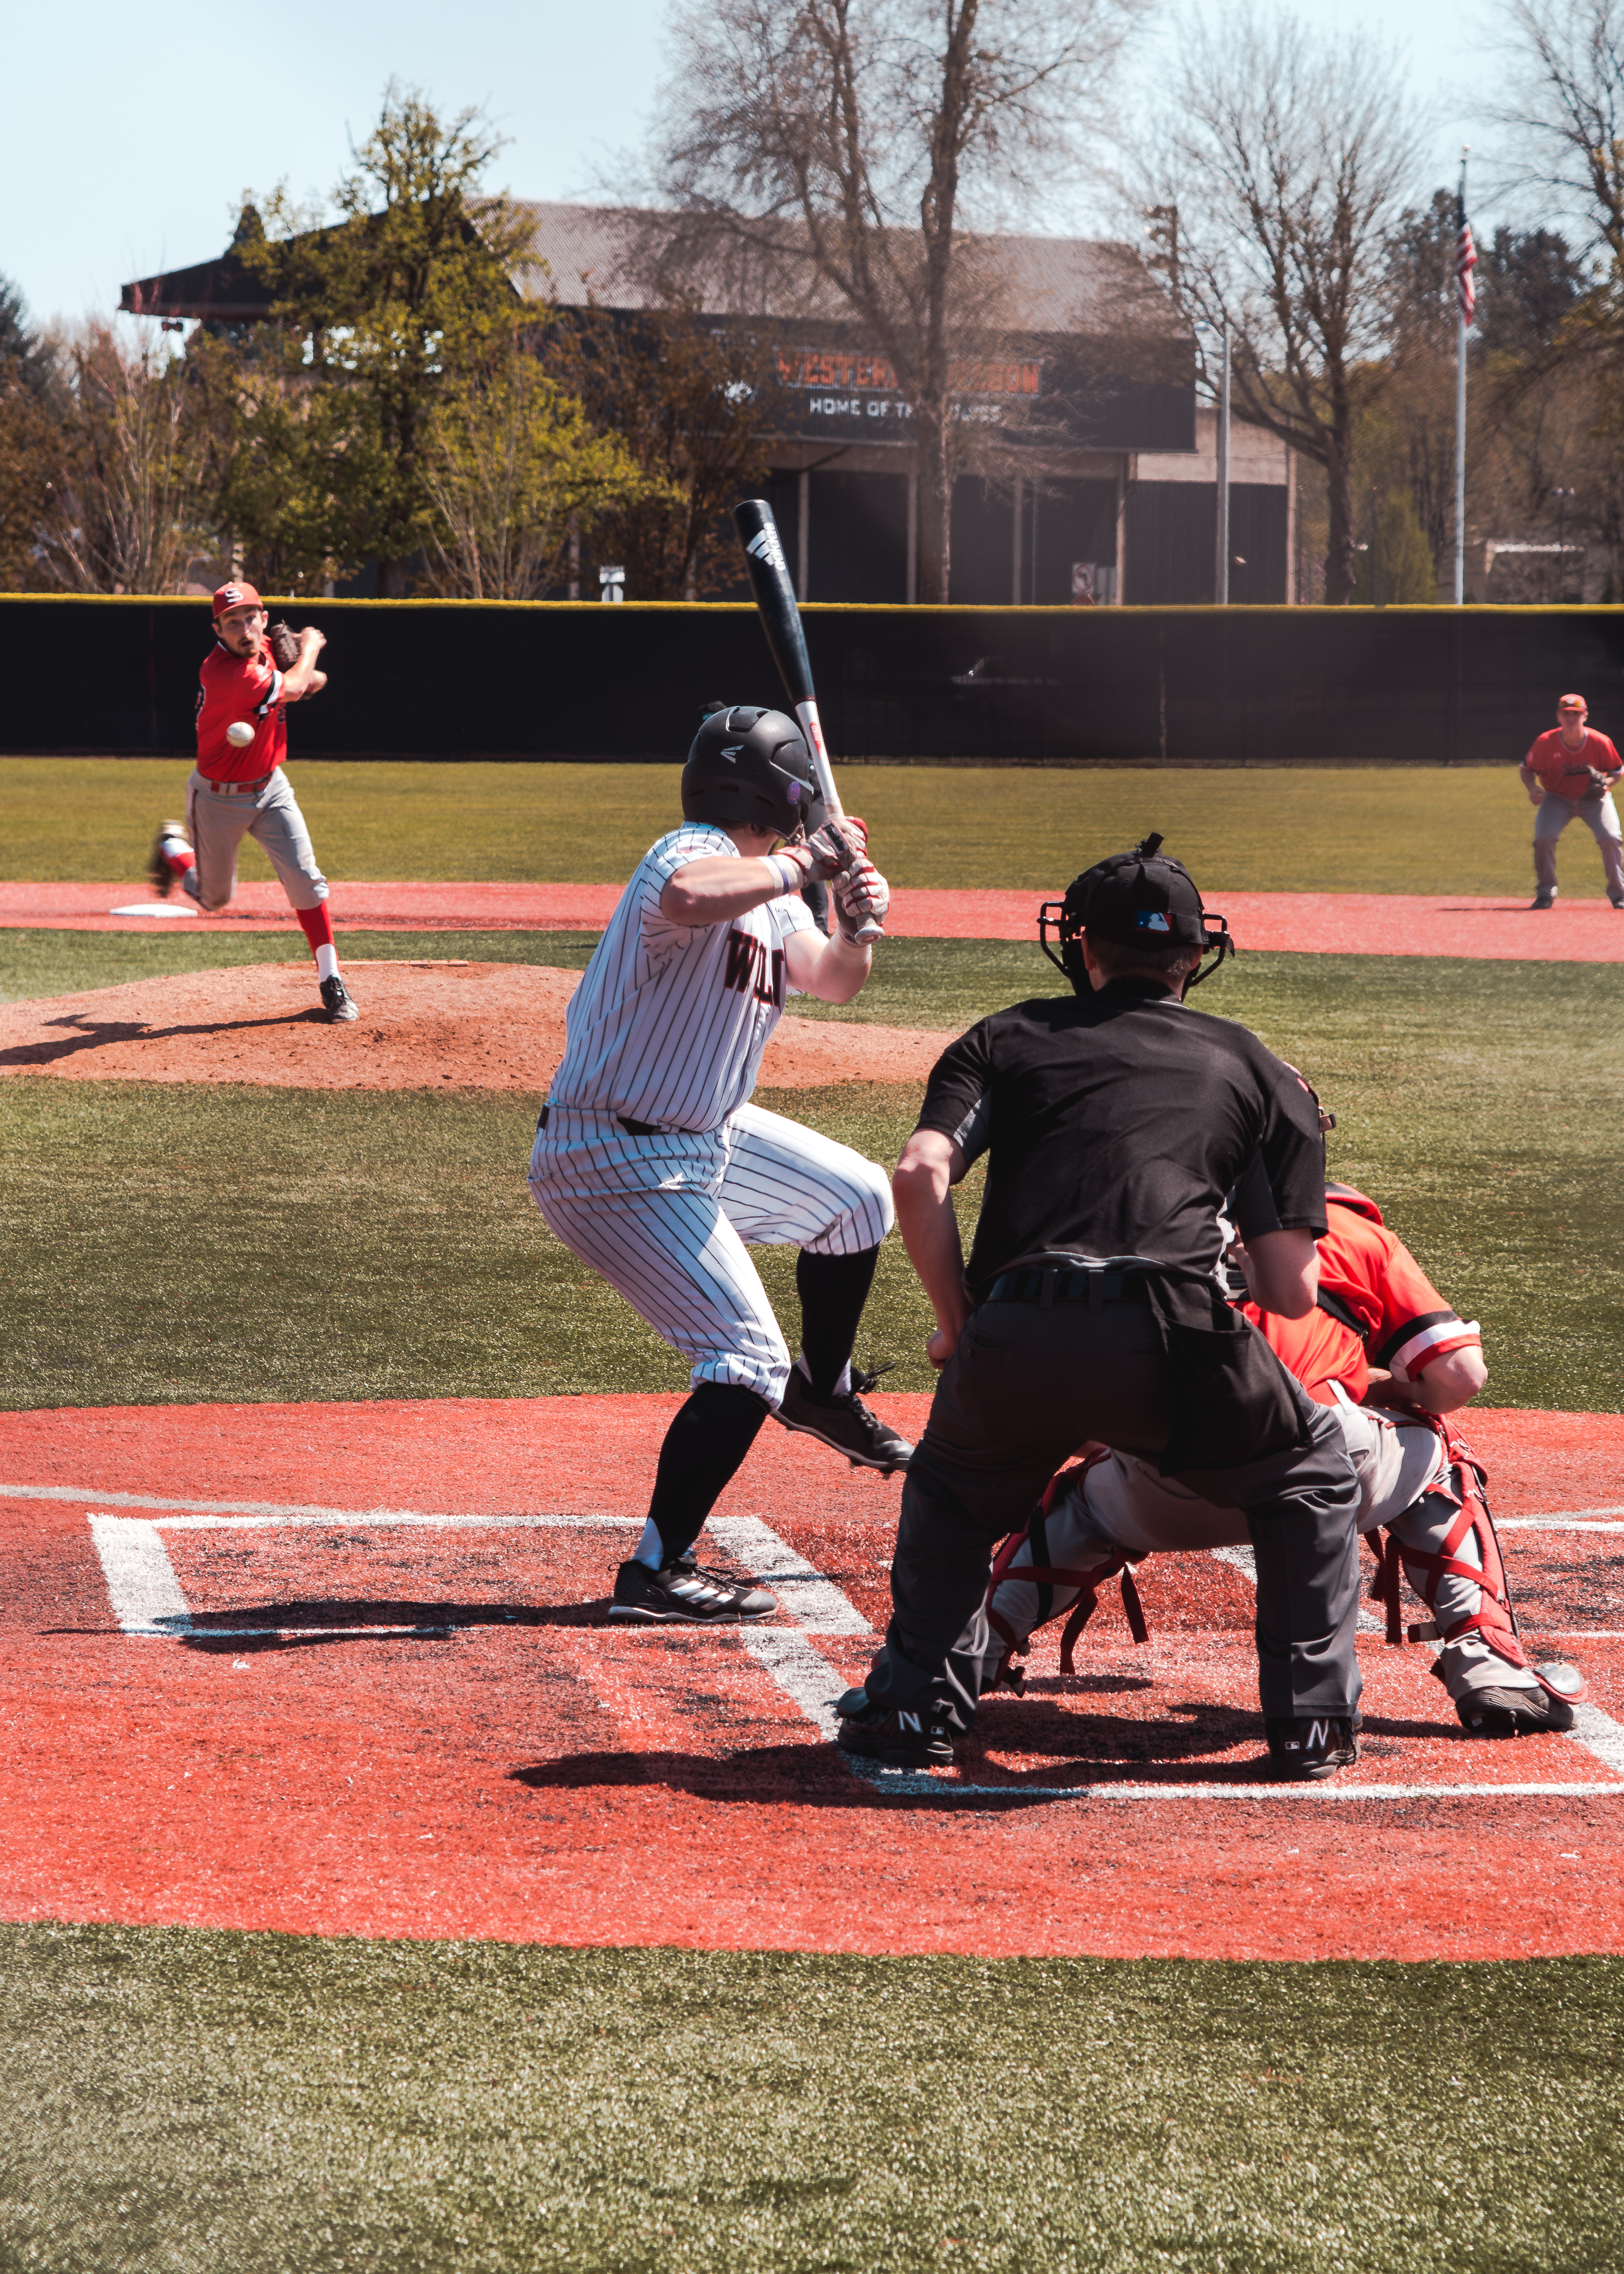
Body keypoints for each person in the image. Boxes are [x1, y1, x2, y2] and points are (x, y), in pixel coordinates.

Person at [835, 836, 1366, 1782]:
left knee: (955, 1495)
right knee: (1311, 1475)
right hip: (1175, 1334)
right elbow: (1290, 1292)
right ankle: (1310, 1724)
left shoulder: (1002, 1038)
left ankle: (911, 1709)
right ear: (1196, 954)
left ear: (1081, 947)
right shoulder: (1259, 1067)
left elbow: (918, 1172)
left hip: (1017, 1323)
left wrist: (962, 1322)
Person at [527, 704, 911, 1627]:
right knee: (743, 1357)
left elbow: (831, 979)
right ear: (782, 796)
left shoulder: (774, 895)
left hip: (703, 1136)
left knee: (859, 1199)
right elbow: (690, 898)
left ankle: (824, 1389)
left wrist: (857, 924)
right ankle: (658, 1566)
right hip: (611, 1154)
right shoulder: (686, 851)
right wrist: (803, 864)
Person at [986, 1179, 1581, 1739]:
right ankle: (1488, 1664)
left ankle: (970, 1648)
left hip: (1164, 1484)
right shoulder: (1344, 1227)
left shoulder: (1131, 1218)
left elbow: (1065, 1404)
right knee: (1438, 1447)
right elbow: (1459, 1374)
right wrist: (1384, 1387)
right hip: (1323, 1473)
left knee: (1086, 1490)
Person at [146, 581, 358, 1022]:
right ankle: (173, 848)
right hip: (217, 800)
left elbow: (312, 683)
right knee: (214, 899)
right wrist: (311, 647)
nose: (244, 629)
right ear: (217, 630)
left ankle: (331, 981)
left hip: (271, 788)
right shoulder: (226, 673)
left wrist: (300, 670)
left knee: (306, 879)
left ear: (263, 617)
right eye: (231, 622)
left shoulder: (263, 649)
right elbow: (301, 686)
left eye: (249, 618)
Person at [1520, 691, 1624, 909]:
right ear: (1559, 717)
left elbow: (1617, 771)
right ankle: (1545, 894)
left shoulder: (1600, 741)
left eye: (1576, 714)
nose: (1571, 719)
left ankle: (1619, 895)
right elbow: (1527, 769)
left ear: (1585, 716)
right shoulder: (1546, 742)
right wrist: (1533, 789)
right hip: (1557, 799)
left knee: (1611, 838)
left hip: (1596, 801)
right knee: (1544, 838)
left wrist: (1606, 784)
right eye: (1566, 714)